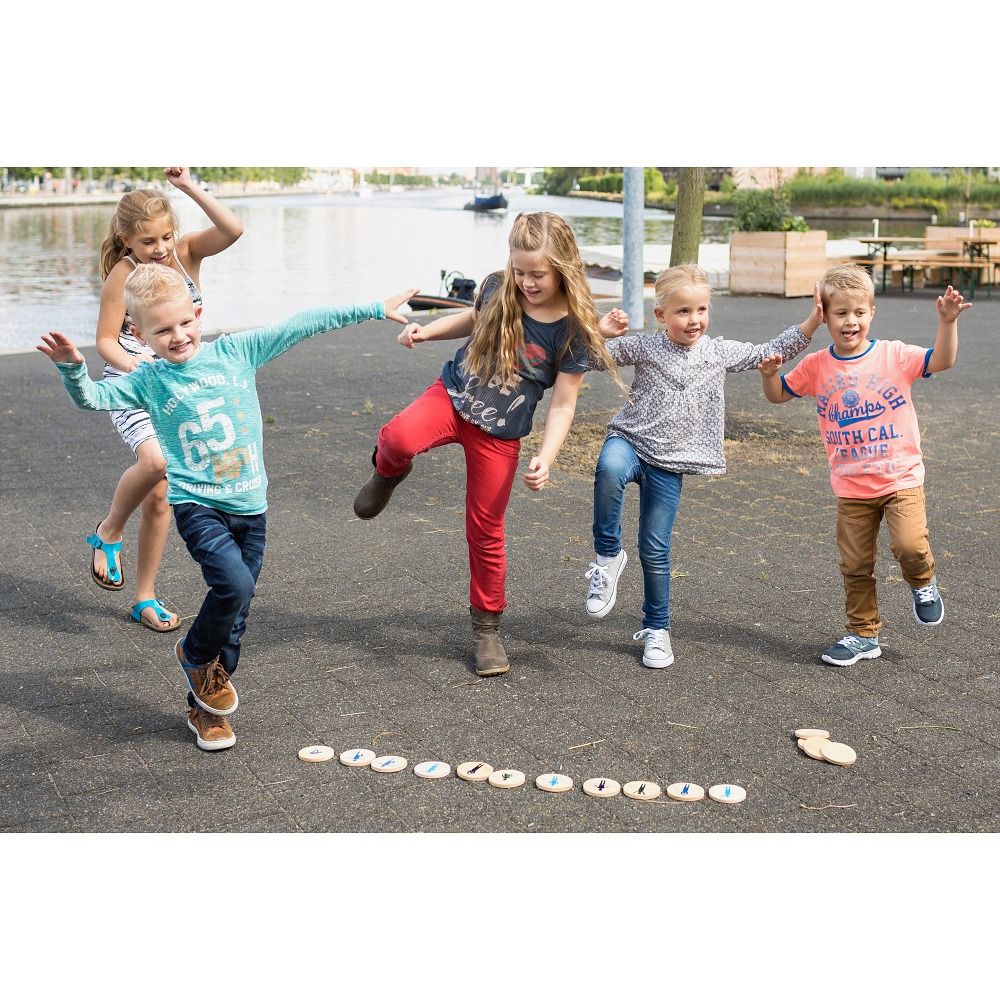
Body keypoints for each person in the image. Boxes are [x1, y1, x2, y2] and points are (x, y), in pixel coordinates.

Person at [40, 264, 414, 750]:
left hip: (251, 505)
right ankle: (194, 655)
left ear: (198, 314)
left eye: (183, 324)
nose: (177, 337)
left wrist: (371, 308)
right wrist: (72, 366)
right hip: (198, 504)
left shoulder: (237, 351)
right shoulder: (148, 380)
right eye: (162, 330)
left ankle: (205, 708)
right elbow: (91, 398)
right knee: (233, 584)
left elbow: (301, 324)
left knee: (237, 610)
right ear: (138, 335)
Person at [352, 211, 627, 677]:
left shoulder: (575, 331)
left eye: (537, 274)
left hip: (501, 434)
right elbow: (473, 319)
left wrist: (547, 456)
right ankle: (389, 472)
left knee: (485, 529)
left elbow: (562, 405)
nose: (526, 282)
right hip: (454, 396)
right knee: (397, 436)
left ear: (563, 267)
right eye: (520, 271)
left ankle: (487, 628)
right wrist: (426, 330)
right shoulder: (498, 286)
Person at [584, 264, 819, 669]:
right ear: (661, 315)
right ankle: (607, 556)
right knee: (608, 470)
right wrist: (599, 330)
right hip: (630, 440)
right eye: (683, 312)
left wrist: (814, 319)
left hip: (671, 462)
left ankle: (657, 629)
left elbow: (769, 350)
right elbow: (589, 357)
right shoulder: (644, 347)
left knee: (655, 549)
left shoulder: (718, 352)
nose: (694, 320)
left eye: (701, 310)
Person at [759, 263, 968, 666]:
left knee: (909, 546)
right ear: (825, 315)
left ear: (871, 313)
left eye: (858, 312)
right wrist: (769, 375)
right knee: (855, 565)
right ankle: (862, 633)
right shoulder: (817, 365)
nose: (850, 321)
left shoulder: (894, 355)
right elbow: (779, 395)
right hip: (851, 487)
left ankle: (923, 582)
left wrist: (946, 322)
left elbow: (941, 360)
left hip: (900, 478)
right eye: (840, 313)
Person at [87, 167, 244, 634]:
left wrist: (189, 187)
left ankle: (144, 597)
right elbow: (105, 343)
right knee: (154, 462)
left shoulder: (187, 253)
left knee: (162, 498)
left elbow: (233, 230)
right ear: (127, 240)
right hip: (135, 381)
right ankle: (108, 530)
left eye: (166, 236)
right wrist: (143, 371)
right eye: (149, 241)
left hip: (180, 381)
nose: (160, 248)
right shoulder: (124, 274)